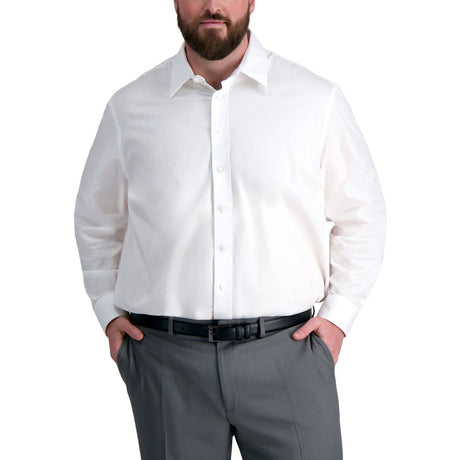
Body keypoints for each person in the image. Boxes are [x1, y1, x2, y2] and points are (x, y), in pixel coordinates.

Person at [74, 1, 386, 458]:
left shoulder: (315, 100)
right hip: (165, 362)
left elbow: (362, 214)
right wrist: (107, 310)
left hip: (290, 354)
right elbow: (97, 219)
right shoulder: (129, 108)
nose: (213, 4)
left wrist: (339, 316)